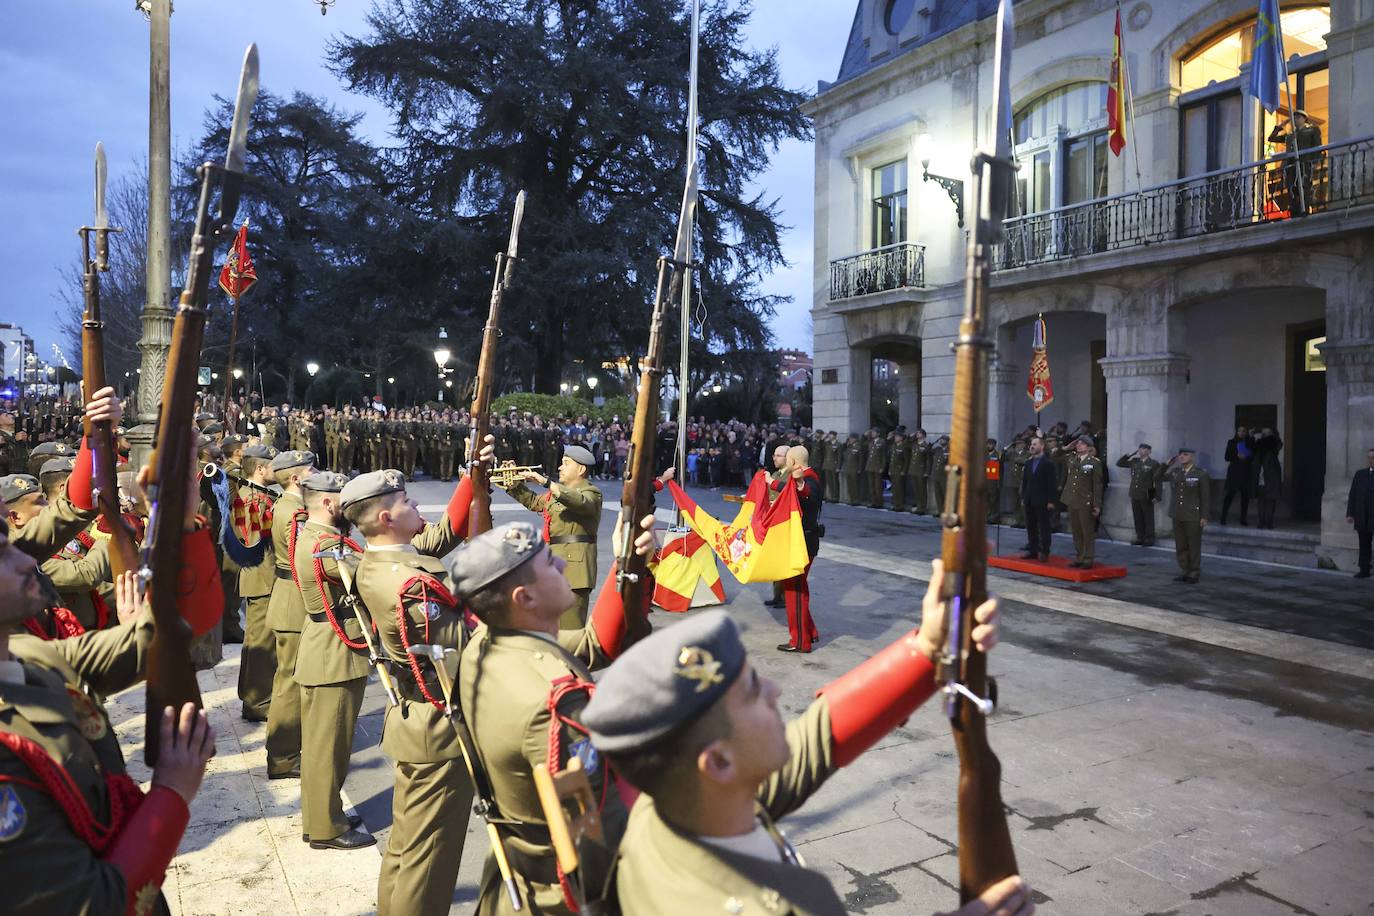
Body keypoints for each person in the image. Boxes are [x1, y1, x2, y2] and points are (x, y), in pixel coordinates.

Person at [580, 562, 1031, 916]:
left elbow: (813, 743)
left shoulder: (680, 811)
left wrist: (927, 649)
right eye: (754, 693)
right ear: (718, 762)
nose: (777, 691)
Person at [449, 515, 657, 915]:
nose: (563, 564)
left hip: (516, 871)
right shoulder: (557, 702)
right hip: (559, 895)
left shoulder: (488, 642)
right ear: (524, 598)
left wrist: (625, 563)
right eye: (549, 562)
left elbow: (597, 643)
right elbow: (603, 825)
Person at [346, 440, 492, 916]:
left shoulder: (379, 560)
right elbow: (473, 651)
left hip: (413, 721)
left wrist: (473, 474)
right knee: (428, 861)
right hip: (438, 725)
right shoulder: (411, 584)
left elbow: (438, 538)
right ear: (387, 518)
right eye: (406, 501)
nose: (415, 504)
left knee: (407, 850)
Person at [292, 470, 376, 850]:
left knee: (323, 747)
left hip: (325, 648)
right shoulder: (327, 547)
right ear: (328, 503)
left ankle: (322, 817)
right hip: (333, 654)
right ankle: (327, 828)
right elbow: (372, 576)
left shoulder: (315, 535)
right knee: (328, 749)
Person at [500, 444, 603, 629]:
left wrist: (546, 482)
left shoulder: (591, 493)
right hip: (552, 564)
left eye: (565, 463)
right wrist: (512, 482)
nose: (559, 467)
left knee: (570, 630)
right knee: (551, 626)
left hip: (575, 572)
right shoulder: (556, 494)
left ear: (581, 469)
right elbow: (533, 502)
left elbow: (579, 502)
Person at [263, 449, 317, 781]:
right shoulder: (295, 512)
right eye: (311, 471)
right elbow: (302, 563)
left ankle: (286, 751)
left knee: (290, 679)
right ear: (296, 478)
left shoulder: (287, 505)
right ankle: (282, 757)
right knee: (289, 683)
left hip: (288, 597)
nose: (317, 474)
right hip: (293, 601)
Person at [236, 443, 279, 722]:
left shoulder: (259, 495)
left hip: (259, 580)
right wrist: (275, 584)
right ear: (261, 469)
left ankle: (251, 695)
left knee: (256, 642)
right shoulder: (253, 500)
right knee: (261, 645)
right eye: (273, 465)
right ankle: (257, 702)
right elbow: (259, 548)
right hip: (262, 581)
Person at [773, 445, 823, 653]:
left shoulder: (809, 479)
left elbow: (807, 493)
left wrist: (800, 482)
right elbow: (789, 491)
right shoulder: (807, 477)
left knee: (795, 591)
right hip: (802, 542)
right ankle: (809, 632)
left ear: (793, 463)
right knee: (796, 587)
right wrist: (770, 482)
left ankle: (799, 641)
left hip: (803, 543)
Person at [1163, 447, 1210, 584]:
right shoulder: (1176, 472)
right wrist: (1166, 465)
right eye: (1180, 455)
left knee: (1193, 545)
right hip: (1178, 514)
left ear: (1192, 457)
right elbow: (1157, 477)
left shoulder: (1201, 474)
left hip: (1193, 515)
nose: (1182, 457)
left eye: (1185, 454)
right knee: (1181, 545)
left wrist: (1204, 516)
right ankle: (1185, 570)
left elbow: (1205, 497)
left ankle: (1194, 572)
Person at [1268, 109, 1324, 216]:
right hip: (1292, 165)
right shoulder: (1290, 135)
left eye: (1298, 117)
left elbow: (1317, 146)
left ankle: (1306, 208)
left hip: (1305, 163)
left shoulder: (1312, 130)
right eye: (1294, 118)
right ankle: (1294, 209)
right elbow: (1271, 138)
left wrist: (1314, 161)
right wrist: (1282, 125)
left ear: (1304, 119)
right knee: (1292, 188)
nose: (1295, 120)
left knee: (1304, 186)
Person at [1059, 436, 1103, 569]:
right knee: (1076, 531)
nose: (1079, 446)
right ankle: (1079, 556)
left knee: (1087, 531)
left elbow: (1097, 485)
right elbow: (1055, 455)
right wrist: (1066, 447)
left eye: (1083, 444)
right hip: (1072, 500)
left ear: (1089, 447)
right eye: (1078, 444)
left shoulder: (1094, 462)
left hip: (1085, 501)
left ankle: (1088, 558)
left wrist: (1097, 505)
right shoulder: (1072, 459)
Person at [1020, 436, 1057, 562]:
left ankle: (1044, 551)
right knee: (1031, 526)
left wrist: (1051, 501)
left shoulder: (1048, 463)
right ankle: (1032, 550)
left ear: (1042, 446)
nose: (1032, 446)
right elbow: (1025, 482)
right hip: (1029, 499)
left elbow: (1052, 484)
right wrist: (1023, 497)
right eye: (1031, 444)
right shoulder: (1028, 463)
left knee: (1044, 527)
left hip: (1043, 500)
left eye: (1035, 444)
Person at [1116, 443, 1161, 546]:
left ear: (1149, 451)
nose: (1141, 451)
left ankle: (1149, 538)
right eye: (1140, 449)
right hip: (1134, 493)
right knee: (1138, 517)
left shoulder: (1153, 463)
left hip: (1147, 493)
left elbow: (1157, 480)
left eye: (1144, 449)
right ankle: (1140, 537)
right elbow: (1119, 463)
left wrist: (1156, 495)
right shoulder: (1134, 461)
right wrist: (1129, 455)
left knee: (1148, 517)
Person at [1347, 448, 1374, 579]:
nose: (1371, 460)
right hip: (1362, 516)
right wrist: (1350, 513)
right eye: (1369, 457)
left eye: (1373, 458)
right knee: (1364, 544)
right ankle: (1364, 568)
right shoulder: (1360, 474)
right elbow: (1353, 494)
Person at [1220, 426, 1254, 526]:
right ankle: (1223, 518)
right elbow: (1227, 457)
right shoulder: (1232, 442)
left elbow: (1253, 455)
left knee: (1245, 498)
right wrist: (1236, 456)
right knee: (1229, 496)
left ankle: (1243, 519)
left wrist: (1251, 439)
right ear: (1236, 432)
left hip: (1246, 473)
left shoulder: (1249, 442)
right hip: (1234, 472)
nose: (1242, 433)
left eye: (1244, 431)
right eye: (1239, 431)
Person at [1251, 428, 1284, 530]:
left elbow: (1279, 444)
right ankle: (1261, 521)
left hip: (1271, 476)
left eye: (1269, 433)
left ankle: (1269, 522)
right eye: (1265, 433)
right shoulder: (1258, 444)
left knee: (1270, 500)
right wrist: (1251, 436)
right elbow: (1250, 447)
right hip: (1261, 476)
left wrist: (1274, 435)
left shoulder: (1274, 444)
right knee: (1261, 501)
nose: (1267, 435)